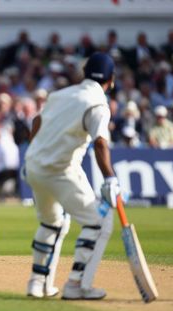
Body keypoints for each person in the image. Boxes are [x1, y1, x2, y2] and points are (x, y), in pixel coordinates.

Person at [23, 52, 120, 300]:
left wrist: (34, 152)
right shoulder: (98, 104)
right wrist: (110, 178)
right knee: (97, 223)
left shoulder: (59, 94)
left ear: (84, 73)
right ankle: (76, 284)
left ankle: (37, 283)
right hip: (62, 170)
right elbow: (100, 143)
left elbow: (36, 121)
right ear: (111, 79)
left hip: (34, 167)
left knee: (51, 223)